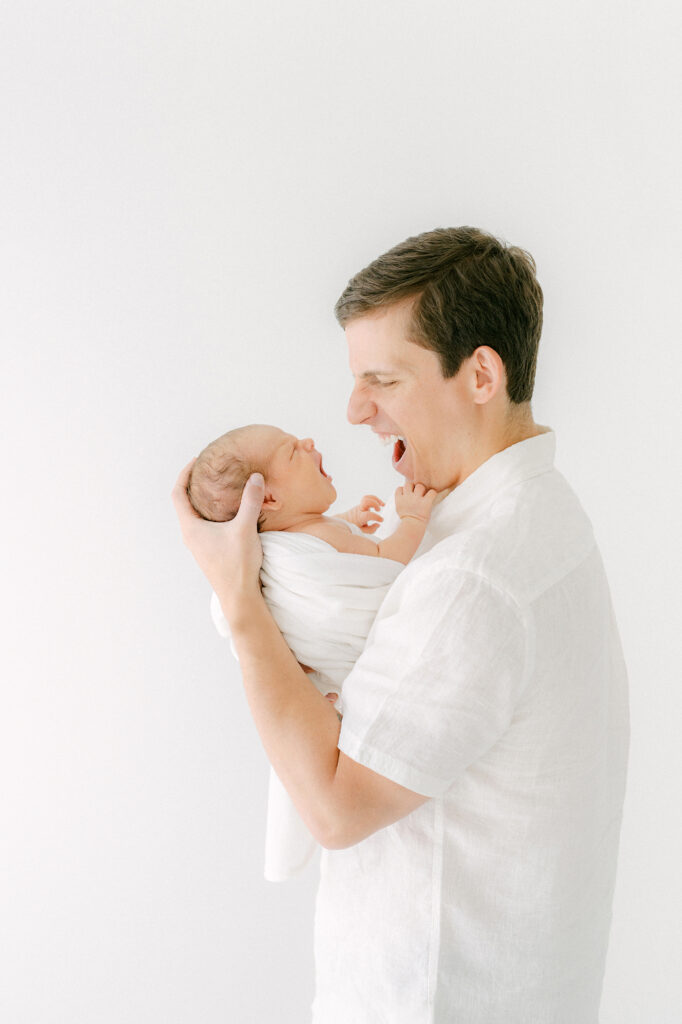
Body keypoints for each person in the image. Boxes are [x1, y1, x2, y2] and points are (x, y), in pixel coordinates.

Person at [172, 226, 630, 1023]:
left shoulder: (472, 578)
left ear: (480, 373)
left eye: (381, 379)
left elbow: (336, 809)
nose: (354, 412)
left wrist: (242, 605)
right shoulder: (537, 515)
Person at [187, 422, 437, 880]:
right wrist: (415, 520)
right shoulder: (313, 545)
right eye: (291, 451)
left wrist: (349, 519)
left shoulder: (279, 549)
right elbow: (384, 564)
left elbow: (327, 543)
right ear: (268, 500)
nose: (309, 443)